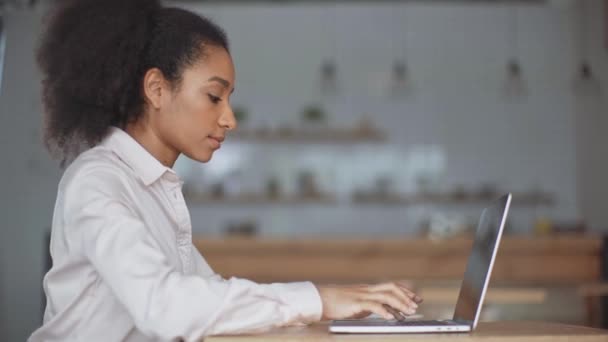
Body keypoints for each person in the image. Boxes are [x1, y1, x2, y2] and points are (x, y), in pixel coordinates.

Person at [29, 0, 422, 341]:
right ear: (156, 89)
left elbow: (205, 294)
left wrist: (333, 303)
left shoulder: (154, 186)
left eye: (228, 99)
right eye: (214, 96)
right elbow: (165, 307)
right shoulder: (98, 181)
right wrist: (319, 299)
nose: (229, 119)